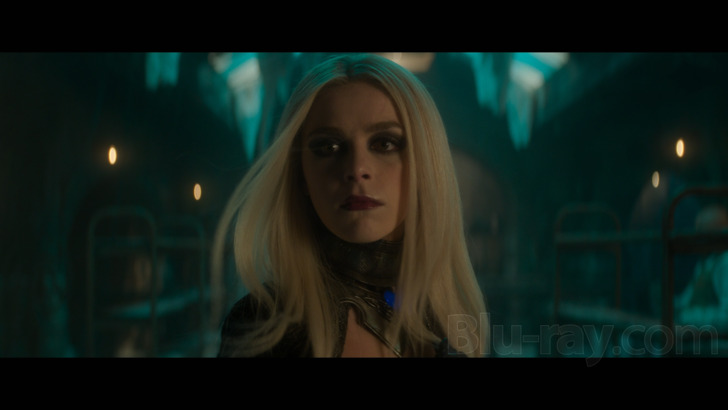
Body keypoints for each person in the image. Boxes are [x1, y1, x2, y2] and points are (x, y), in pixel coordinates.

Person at [212, 53, 488, 357]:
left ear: (426, 164)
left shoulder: (453, 326)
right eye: (328, 147)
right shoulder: (262, 327)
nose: (357, 168)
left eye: (384, 143)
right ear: (301, 175)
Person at [674, 204, 728, 335]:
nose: (696, 239)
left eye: (702, 233)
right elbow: (687, 300)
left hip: (713, 340)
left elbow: (725, 318)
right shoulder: (706, 261)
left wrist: (685, 317)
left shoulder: (725, 262)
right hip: (698, 334)